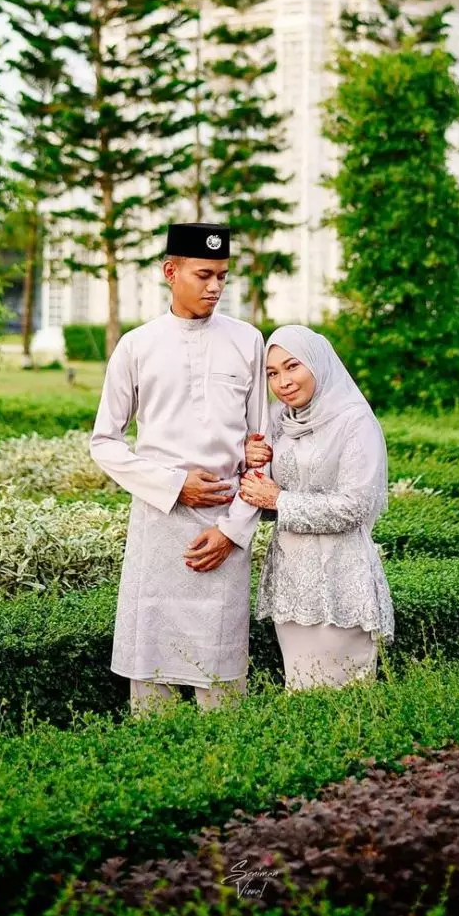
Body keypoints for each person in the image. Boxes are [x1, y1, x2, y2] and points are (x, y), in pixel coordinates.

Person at [90, 222, 268, 714]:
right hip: (159, 528)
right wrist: (173, 485)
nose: (215, 288)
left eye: (223, 277)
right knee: (152, 685)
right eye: (204, 275)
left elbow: (261, 450)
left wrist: (233, 533)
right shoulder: (136, 345)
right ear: (171, 271)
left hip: (225, 527)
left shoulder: (247, 341)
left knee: (224, 684)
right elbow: (104, 442)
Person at [239, 324, 394, 690]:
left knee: (345, 699)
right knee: (301, 692)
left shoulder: (355, 420)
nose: (283, 382)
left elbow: (356, 506)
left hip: (341, 580)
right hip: (292, 583)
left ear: (317, 363)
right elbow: (259, 489)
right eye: (272, 373)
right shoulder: (278, 420)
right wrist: (248, 458)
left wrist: (280, 500)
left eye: (293, 366)